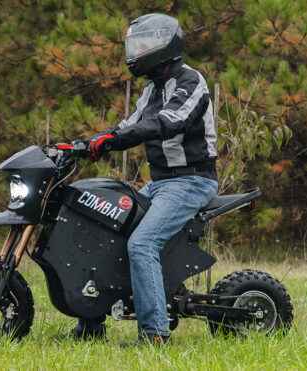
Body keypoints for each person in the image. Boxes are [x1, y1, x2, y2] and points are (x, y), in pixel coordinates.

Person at [72, 13, 218, 344]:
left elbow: (169, 121)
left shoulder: (191, 82)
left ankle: (154, 335)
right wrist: (88, 144)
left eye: (143, 44)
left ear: (164, 45)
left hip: (191, 181)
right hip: (162, 183)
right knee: (108, 229)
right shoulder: (151, 90)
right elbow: (128, 127)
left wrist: (115, 138)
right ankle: (91, 323)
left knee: (142, 243)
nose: (136, 51)